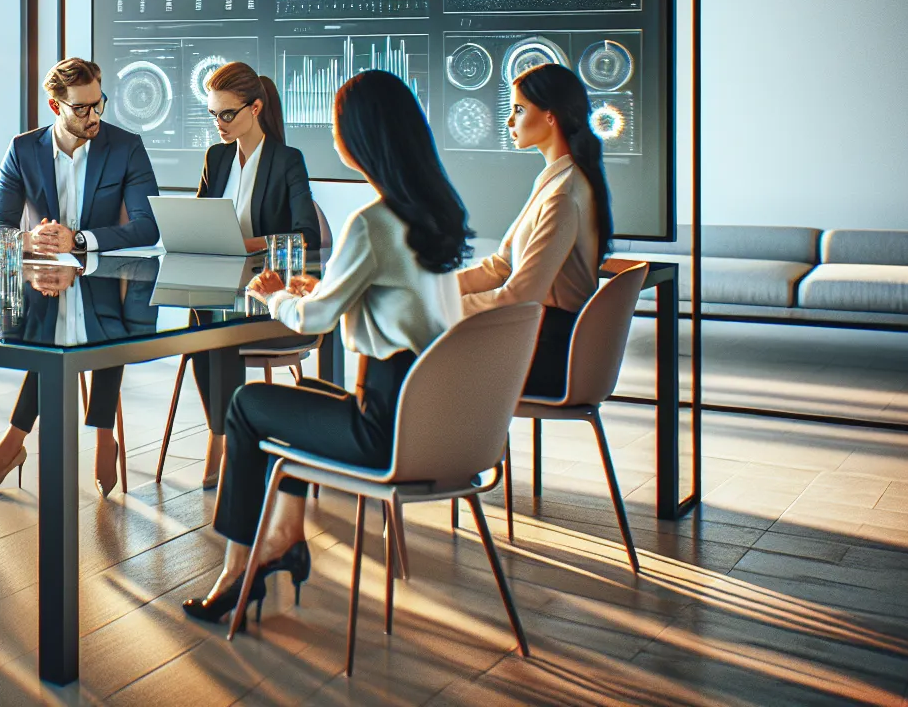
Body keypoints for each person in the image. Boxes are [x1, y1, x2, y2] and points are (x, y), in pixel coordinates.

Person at [182, 70, 470, 625]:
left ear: (359, 137)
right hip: (436, 421)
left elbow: (312, 320)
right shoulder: (434, 212)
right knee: (304, 395)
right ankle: (285, 539)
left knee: (247, 406)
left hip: (384, 431)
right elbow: (384, 296)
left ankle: (237, 569)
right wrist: (321, 289)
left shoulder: (372, 222)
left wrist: (272, 296)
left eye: (338, 125)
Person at [0, 57, 160, 497]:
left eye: (99, 103)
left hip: (105, 274)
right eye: (82, 108)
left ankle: (81, 435)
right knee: (49, 327)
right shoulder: (23, 150)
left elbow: (148, 225)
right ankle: (34, 440)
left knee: (105, 322)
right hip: (45, 283)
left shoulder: (125, 147)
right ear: (56, 107)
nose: (94, 116)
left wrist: (80, 240)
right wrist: (32, 239)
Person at [185, 61, 320, 489]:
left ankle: (224, 440)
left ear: (255, 108)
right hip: (220, 287)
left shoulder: (287, 161)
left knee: (216, 326)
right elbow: (200, 220)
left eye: (227, 113)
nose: (219, 124)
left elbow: (307, 234)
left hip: (267, 296)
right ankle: (221, 433)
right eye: (213, 114)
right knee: (200, 321)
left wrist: (248, 244)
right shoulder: (216, 156)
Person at [457, 63, 612, 398]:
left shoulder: (563, 194)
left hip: (549, 353)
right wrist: (437, 290)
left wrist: (444, 307)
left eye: (518, 109)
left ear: (550, 116)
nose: (509, 121)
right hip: (535, 337)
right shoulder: (556, 180)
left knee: (414, 349)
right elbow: (501, 266)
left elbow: (519, 297)